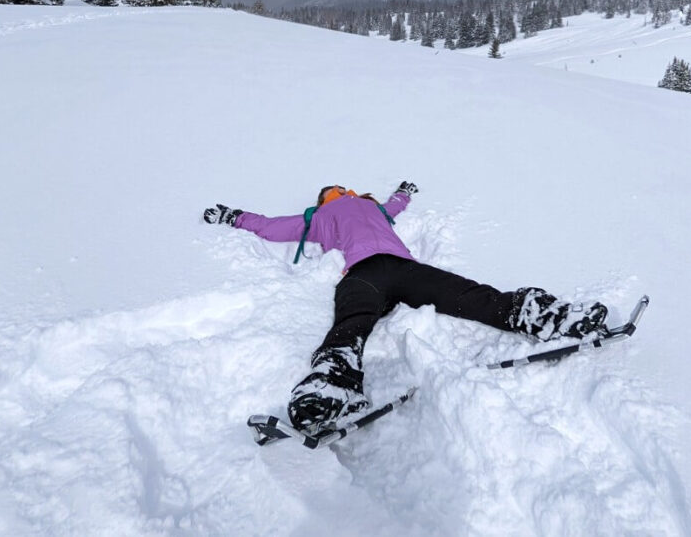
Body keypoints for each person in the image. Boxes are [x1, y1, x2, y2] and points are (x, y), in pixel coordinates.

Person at [204, 182, 608, 434]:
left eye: (339, 190)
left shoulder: (332, 214)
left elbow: (274, 226)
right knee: (467, 297)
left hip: (367, 274)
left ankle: (329, 383)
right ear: (333, 196)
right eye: (335, 190)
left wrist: (234, 216)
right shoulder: (347, 211)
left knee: (356, 322)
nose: (339, 192)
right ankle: (552, 316)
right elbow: (391, 207)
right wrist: (401, 193)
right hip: (396, 270)